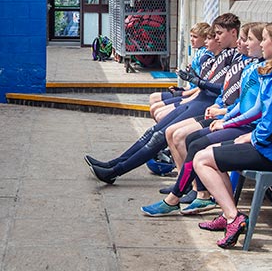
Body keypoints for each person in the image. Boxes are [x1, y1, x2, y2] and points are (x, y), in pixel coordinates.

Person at [192, 20, 272, 249]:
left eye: (265, 39)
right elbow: (266, 112)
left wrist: (252, 138)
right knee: (209, 152)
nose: (261, 45)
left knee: (202, 159)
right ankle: (228, 213)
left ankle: (233, 218)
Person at [85, 13, 241, 184]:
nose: (215, 38)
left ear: (233, 33)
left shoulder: (236, 56)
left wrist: (197, 82)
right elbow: (213, 83)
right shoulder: (224, 53)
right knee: (152, 132)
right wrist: (193, 84)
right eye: (214, 35)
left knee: (161, 136)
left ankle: (115, 171)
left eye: (219, 34)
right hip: (199, 99)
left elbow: (224, 89)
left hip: (206, 103)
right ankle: (113, 164)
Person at [141, 22, 265, 216]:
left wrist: (227, 120)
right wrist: (225, 113)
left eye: (249, 39)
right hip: (240, 122)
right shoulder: (257, 66)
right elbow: (243, 102)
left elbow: (260, 112)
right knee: (188, 139)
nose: (244, 43)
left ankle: (195, 200)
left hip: (257, 136)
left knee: (198, 148)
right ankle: (221, 209)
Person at [148, 22, 211, 110]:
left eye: (195, 37)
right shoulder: (199, 52)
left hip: (196, 96)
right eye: (191, 36)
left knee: (157, 107)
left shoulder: (205, 57)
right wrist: (181, 89)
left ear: (205, 39)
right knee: (153, 97)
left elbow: (203, 87)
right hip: (190, 91)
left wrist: (182, 93)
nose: (192, 39)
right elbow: (192, 84)